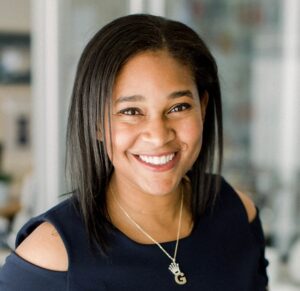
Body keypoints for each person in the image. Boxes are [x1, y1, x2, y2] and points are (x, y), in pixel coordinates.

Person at [0, 14, 269, 290]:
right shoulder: (51, 256)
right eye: (131, 111)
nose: (159, 135)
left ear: (202, 107)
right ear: (96, 125)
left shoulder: (238, 213)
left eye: (179, 107)